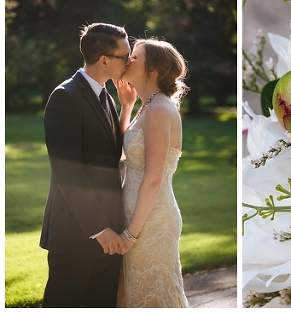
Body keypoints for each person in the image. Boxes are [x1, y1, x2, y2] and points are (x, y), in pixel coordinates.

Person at [40, 22, 130, 307]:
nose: (129, 62)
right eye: (124, 56)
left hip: (108, 231)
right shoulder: (65, 97)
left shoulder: (106, 95)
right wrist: (99, 228)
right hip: (76, 233)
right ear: (104, 60)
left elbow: (112, 153)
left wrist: (127, 107)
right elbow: (68, 171)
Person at [114, 38, 190, 307]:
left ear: (153, 70)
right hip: (138, 216)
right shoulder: (147, 106)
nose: (128, 60)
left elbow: (153, 178)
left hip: (152, 221)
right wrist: (126, 107)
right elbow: (123, 154)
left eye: (135, 57)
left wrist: (130, 234)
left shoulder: (159, 109)